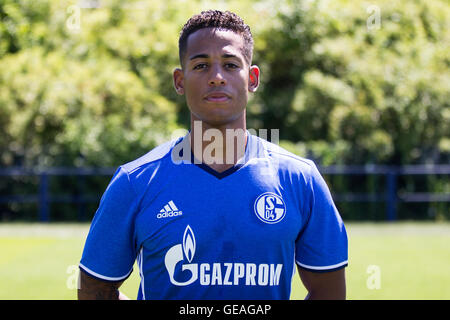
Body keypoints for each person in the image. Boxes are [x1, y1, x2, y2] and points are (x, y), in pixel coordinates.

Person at [78, 10, 348, 300]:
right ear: (180, 81)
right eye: (201, 65)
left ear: (252, 78)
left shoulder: (300, 180)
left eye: (231, 65)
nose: (217, 77)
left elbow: (328, 292)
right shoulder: (135, 182)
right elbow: (94, 291)